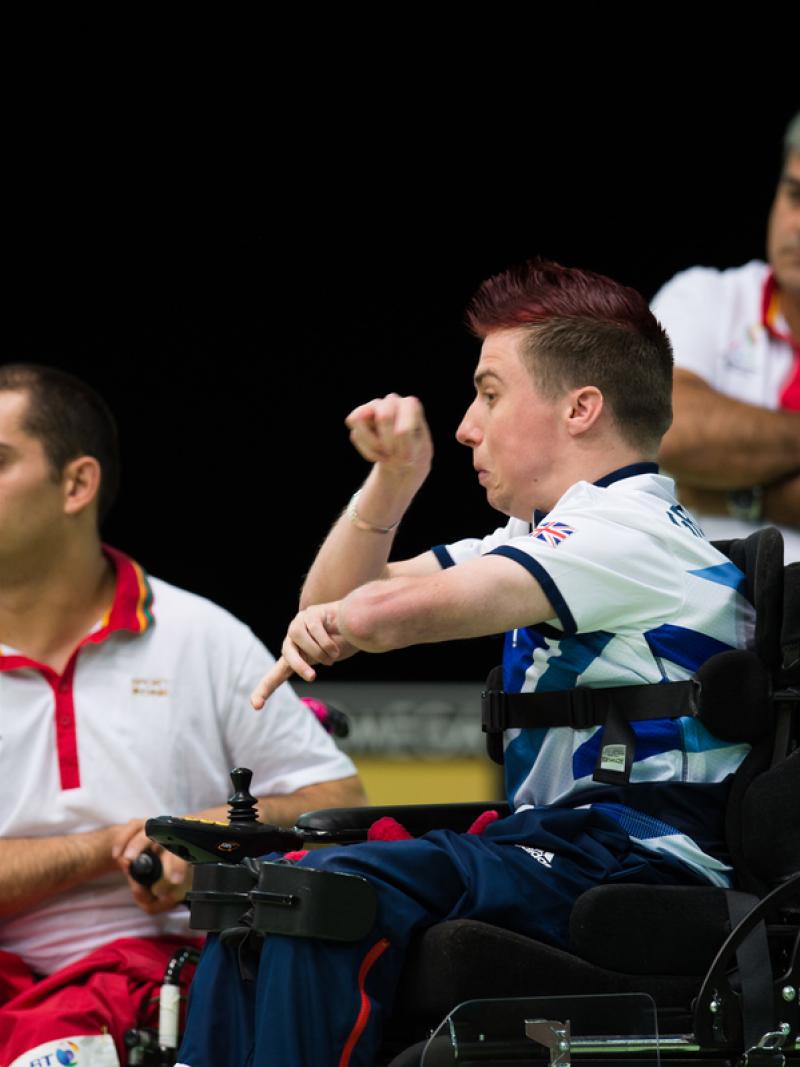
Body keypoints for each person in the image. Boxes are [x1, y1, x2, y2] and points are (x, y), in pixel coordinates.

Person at [176, 260, 756, 1067]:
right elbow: (333, 596)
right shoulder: (537, 536)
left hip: (637, 855)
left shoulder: (632, 532)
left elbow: (375, 613)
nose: (465, 427)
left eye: (489, 392)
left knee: (328, 891)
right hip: (559, 845)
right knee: (261, 891)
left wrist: (353, 617)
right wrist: (391, 482)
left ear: (580, 407)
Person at [0, 364, 366, 1067]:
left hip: (167, 981)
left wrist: (200, 841)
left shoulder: (200, 633)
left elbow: (338, 803)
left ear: (77, 484)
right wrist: (113, 843)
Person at [653, 111, 800, 561]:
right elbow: (663, 427)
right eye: (795, 195)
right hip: (700, 624)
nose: (798, 224)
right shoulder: (704, 297)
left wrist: (732, 493)